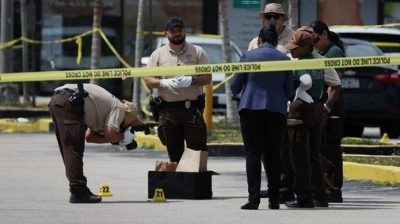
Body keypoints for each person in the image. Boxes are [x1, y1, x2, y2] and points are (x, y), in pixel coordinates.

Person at [230, 25, 293, 210]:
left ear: (258, 40)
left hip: (250, 109)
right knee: (273, 153)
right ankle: (274, 199)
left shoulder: (248, 56)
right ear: (275, 41)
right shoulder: (284, 59)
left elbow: (235, 85)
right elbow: (289, 90)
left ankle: (253, 198)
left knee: (253, 153)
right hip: (275, 110)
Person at [48, 83, 145, 203]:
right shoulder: (119, 108)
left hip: (58, 100)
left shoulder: (103, 110)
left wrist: (117, 140)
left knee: (69, 150)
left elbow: (90, 137)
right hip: (70, 102)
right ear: (128, 117)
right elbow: (110, 134)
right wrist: (123, 137)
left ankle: (77, 189)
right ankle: (78, 191)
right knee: (74, 150)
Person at [283, 27, 342, 208]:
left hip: (300, 110)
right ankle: (321, 196)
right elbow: (336, 84)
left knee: (299, 156)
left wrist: (300, 90)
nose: (291, 50)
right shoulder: (321, 62)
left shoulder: (299, 64)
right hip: (317, 109)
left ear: (308, 47)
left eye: (295, 47)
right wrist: (326, 106)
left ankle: (304, 197)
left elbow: (304, 82)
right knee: (314, 155)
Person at [144, 17, 212, 162]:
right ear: (166, 34)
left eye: (179, 30)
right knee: (175, 156)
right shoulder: (158, 54)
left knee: (198, 154)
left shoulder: (197, 52)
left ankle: (197, 184)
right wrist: (164, 82)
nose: (177, 33)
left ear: (184, 31)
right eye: (173, 31)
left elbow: (207, 77)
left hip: (191, 109)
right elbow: (148, 79)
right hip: (168, 111)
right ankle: (178, 184)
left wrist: (193, 80)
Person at [248, 3, 296, 200]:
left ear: (284, 19)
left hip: (286, 98)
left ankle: (287, 188)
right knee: (265, 150)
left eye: (276, 16)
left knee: (285, 148)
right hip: (258, 102)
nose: (272, 20)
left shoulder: (294, 39)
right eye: (268, 17)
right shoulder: (254, 42)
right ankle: (274, 187)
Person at [310, 20, 347, 203]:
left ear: (324, 34)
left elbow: (335, 83)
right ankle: (325, 186)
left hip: (333, 105)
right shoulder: (322, 52)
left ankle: (333, 189)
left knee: (331, 148)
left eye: (316, 37)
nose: (314, 41)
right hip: (324, 104)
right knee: (322, 147)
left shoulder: (334, 52)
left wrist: (327, 106)